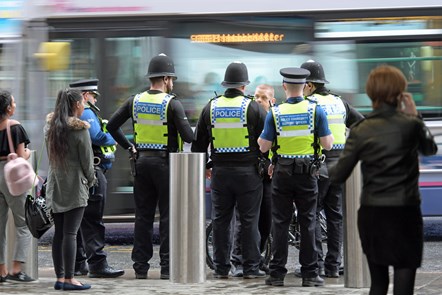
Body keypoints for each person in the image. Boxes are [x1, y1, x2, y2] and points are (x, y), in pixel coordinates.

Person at [329, 65, 437, 295]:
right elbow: (429, 149)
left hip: (373, 213)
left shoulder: (361, 129)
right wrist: (415, 114)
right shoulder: (411, 125)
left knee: (377, 284)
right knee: (404, 285)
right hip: (405, 213)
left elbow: (338, 174)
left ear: (370, 93)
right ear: (400, 92)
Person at [107, 53, 193, 280]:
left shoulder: (133, 101)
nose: (172, 82)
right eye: (171, 78)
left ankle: (140, 267)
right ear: (165, 79)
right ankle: (167, 268)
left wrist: (129, 147)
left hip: (141, 163)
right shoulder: (172, 103)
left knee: (143, 217)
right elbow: (189, 136)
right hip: (165, 165)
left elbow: (112, 126)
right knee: (167, 216)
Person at [258, 67, 334, 287]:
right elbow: (328, 144)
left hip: (282, 173)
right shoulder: (315, 111)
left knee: (280, 223)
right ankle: (310, 274)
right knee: (308, 221)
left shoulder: (275, 112)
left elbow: (264, 147)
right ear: (305, 87)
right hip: (307, 174)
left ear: (284, 87)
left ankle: (277, 274)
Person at [192, 61, 268, 279]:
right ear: (244, 85)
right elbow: (267, 139)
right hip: (249, 174)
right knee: (249, 220)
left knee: (220, 221)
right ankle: (251, 268)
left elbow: (198, 144)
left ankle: (221, 268)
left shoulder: (210, 107)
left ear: (226, 85)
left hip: (220, 174)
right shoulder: (253, 107)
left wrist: (207, 165)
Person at [298, 60, 364, 278]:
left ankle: (315, 264)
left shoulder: (307, 104)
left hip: (317, 167)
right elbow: (361, 124)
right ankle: (333, 266)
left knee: (312, 214)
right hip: (339, 166)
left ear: (309, 84)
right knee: (335, 216)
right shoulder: (339, 102)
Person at [68, 79, 124, 278]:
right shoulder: (87, 112)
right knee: (93, 220)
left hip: (78, 174)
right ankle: (98, 264)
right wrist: (113, 137)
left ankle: (78, 263)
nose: (94, 99)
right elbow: (97, 137)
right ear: (85, 95)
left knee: (80, 220)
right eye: (93, 95)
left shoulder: (65, 115)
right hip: (93, 172)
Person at [45, 88, 96, 290]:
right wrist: (91, 181)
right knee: (71, 234)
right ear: (76, 105)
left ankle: (59, 278)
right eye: (83, 103)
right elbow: (87, 162)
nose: (84, 106)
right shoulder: (80, 130)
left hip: (56, 185)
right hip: (75, 186)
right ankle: (70, 279)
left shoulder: (50, 128)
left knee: (59, 233)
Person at [230, 84, 275, 277]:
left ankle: (258, 257)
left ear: (272, 102)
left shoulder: (274, 118)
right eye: (256, 96)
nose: (258, 100)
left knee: (266, 222)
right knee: (246, 220)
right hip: (252, 177)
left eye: (263, 98)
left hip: (270, 178)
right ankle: (237, 260)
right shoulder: (249, 117)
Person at [0, 90, 34, 283]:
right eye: (13, 103)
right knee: (24, 223)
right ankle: (16, 269)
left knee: (0, 226)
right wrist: (28, 154)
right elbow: (22, 156)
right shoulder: (15, 127)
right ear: (8, 108)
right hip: (11, 176)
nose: (15, 105)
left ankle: (1, 271)